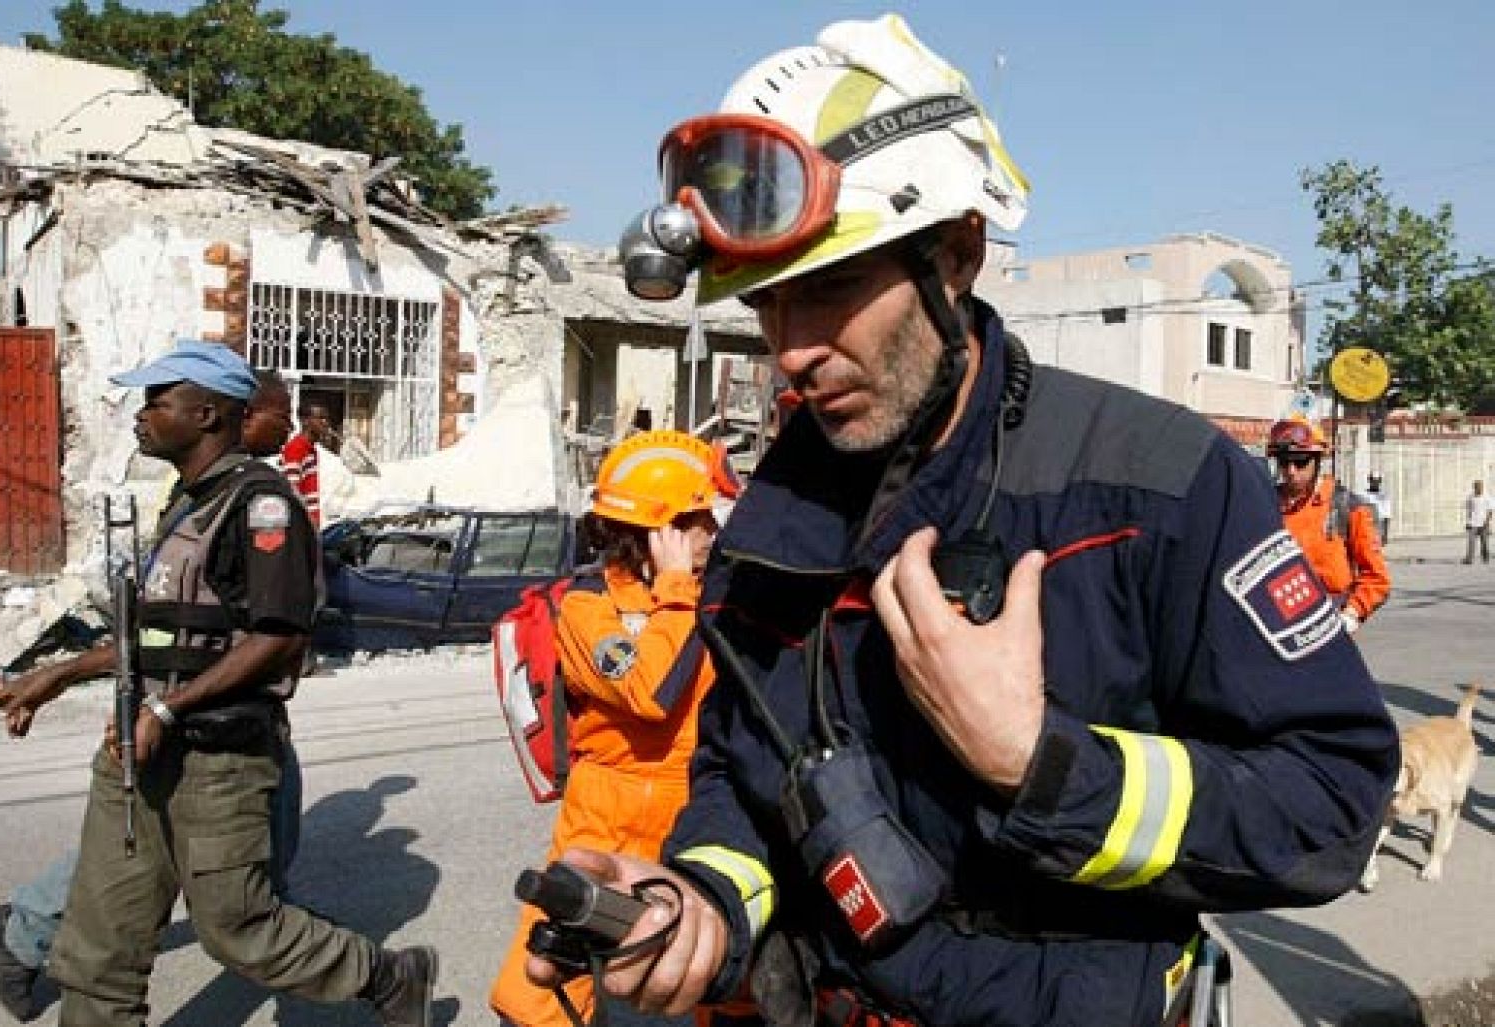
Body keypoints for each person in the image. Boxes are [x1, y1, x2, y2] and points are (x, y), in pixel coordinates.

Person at [529, 15, 1398, 1026]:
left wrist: (1040, 762)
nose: (792, 349)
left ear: (956, 254)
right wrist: (704, 903)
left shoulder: (1156, 486)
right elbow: (736, 772)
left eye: (832, 289)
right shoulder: (774, 522)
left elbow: (1331, 799)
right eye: (768, 304)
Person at [0, 340, 434, 1025]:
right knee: (99, 951)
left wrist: (167, 704)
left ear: (209, 414)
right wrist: (59, 673)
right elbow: (166, 634)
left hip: (216, 762)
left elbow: (278, 638)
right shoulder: (188, 503)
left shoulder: (261, 506)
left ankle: (388, 975)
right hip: (142, 751)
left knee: (239, 928)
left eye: (158, 401)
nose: (142, 414)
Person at [0, 372, 309, 1022]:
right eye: (280, 413)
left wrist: (72, 673)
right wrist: (123, 689)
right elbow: (207, 631)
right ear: (235, 415)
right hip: (205, 722)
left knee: (151, 850)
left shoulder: (223, 497)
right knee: (172, 856)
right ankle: (27, 932)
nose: (287, 429)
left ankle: (27, 934)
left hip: (211, 714)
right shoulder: (221, 500)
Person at [490, 430, 741, 1027]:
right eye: (702, 516)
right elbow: (650, 690)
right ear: (666, 530)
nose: (714, 528)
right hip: (605, 821)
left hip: (690, 812)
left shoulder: (712, 595)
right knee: (542, 994)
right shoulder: (588, 607)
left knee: (707, 989)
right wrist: (677, 589)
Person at [1267, 417, 1391, 633]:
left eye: (1301, 461)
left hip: (1329, 621)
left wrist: (1351, 614)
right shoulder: (1266, 504)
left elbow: (1377, 578)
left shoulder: (1347, 507)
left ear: (1318, 460)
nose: (1291, 471)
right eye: (1284, 462)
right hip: (1276, 622)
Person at [281, 399, 331, 527]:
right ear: (305, 421)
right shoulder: (295, 449)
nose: (325, 423)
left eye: (326, 418)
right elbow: (292, 492)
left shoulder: (311, 450)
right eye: (320, 418)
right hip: (300, 526)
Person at [1465, 480, 1492, 564]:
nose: (1479, 488)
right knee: (1471, 541)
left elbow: (1490, 510)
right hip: (1473, 523)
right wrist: (1468, 522)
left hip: (1483, 523)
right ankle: (1469, 559)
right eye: (1476, 487)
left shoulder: (1487, 497)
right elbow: (1469, 510)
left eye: (1480, 486)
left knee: (1484, 542)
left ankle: (1485, 558)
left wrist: (1487, 521)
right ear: (1474, 487)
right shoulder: (1470, 497)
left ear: (1482, 487)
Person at [1365, 473, 1391, 545]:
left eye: (1377, 481)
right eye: (1373, 480)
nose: (1375, 483)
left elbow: (1386, 517)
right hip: (1367, 525)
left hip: (1379, 526)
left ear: (1380, 481)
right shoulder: (1364, 495)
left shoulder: (1384, 496)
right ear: (1369, 481)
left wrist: (1385, 534)